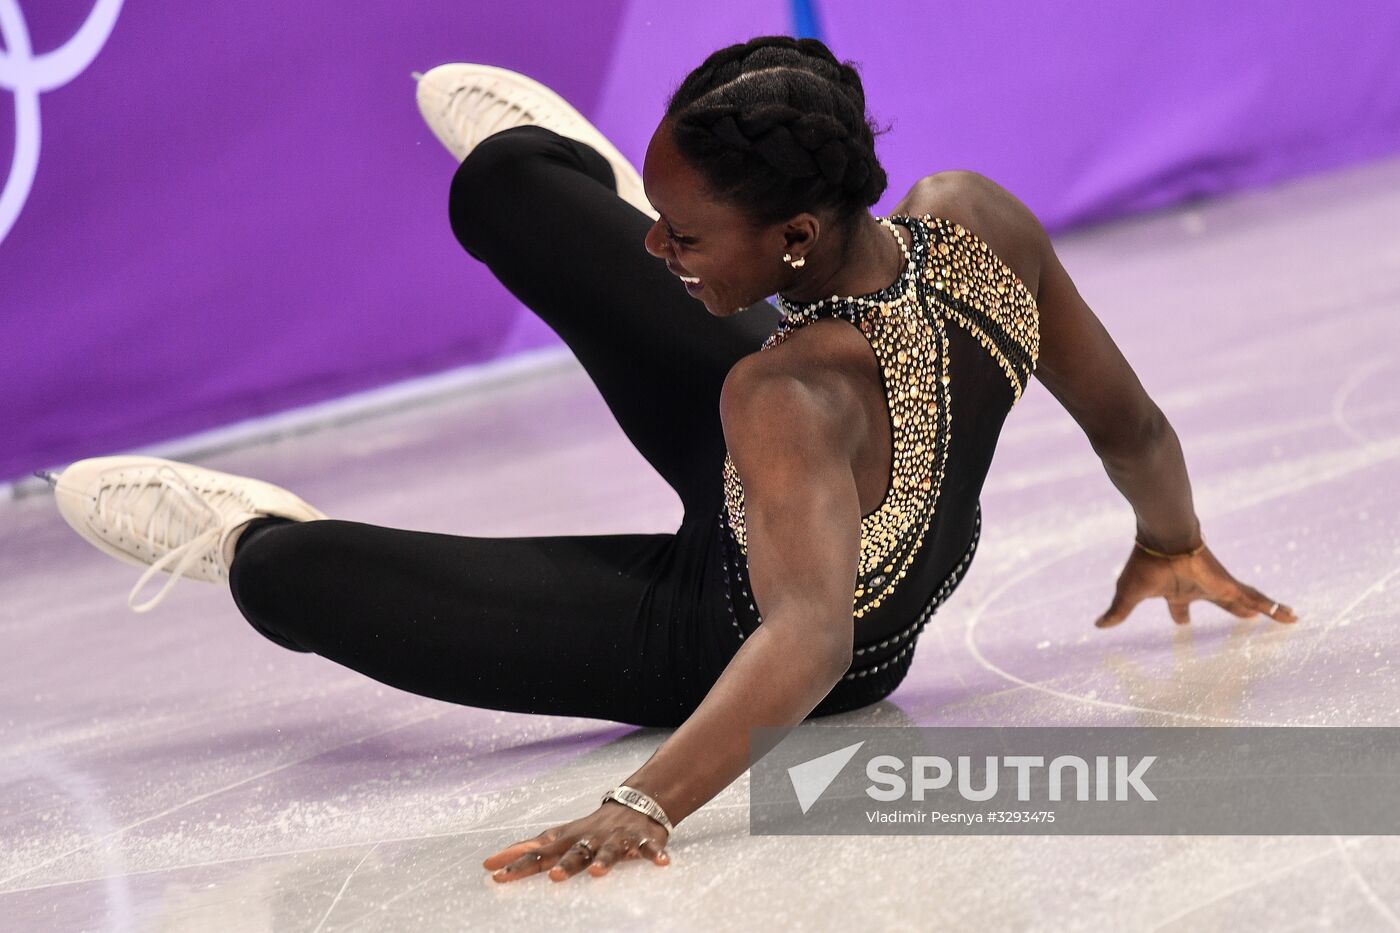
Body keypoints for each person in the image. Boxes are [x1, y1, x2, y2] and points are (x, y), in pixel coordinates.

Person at [40, 35, 1298, 884]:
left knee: (293, 583)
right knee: (504, 183)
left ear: (792, 235)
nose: (659, 250)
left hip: (735, 632)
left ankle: (253, 537)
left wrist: (640, 805)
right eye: (662, 218)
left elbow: (805, 641)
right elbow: (1130, 426)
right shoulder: (973, 219)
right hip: (799, 484)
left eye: (683, 236)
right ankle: (579, 177)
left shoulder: (781, 392)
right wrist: (1168, 538)